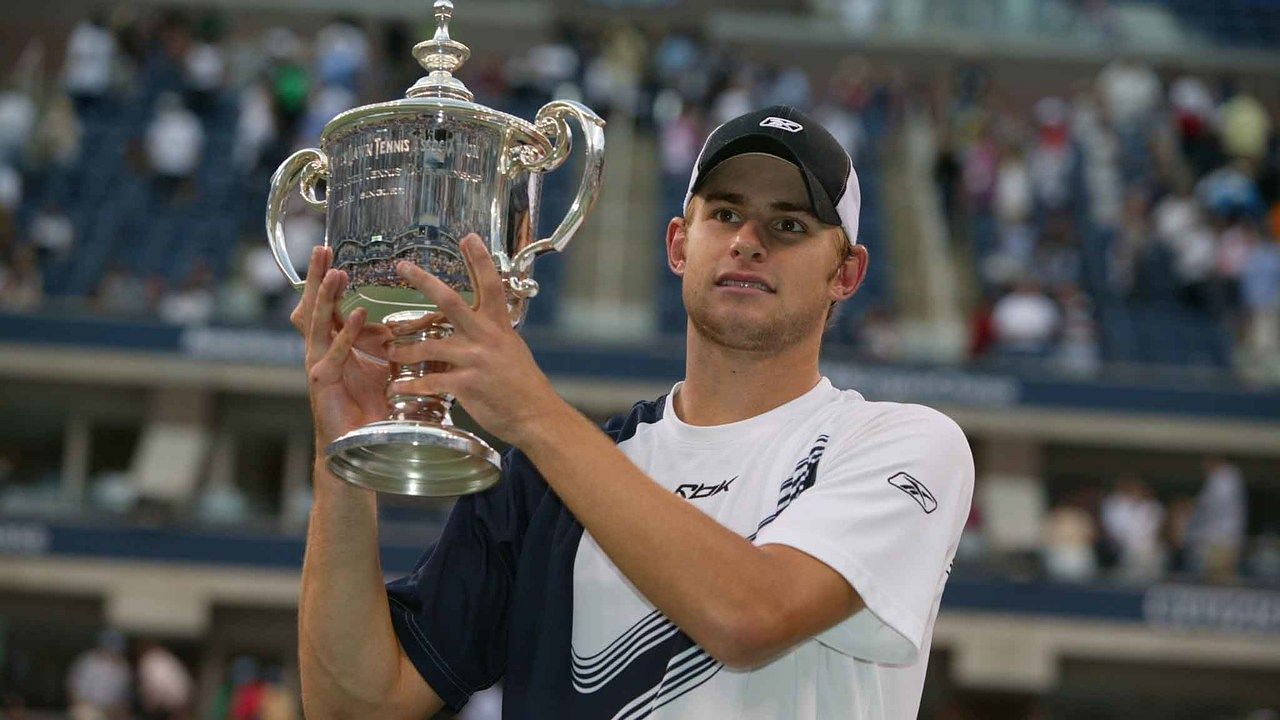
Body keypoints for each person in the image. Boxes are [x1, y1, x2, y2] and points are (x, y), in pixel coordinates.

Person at [292, 105, 974, 719]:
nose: (748, 241)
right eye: (726, 214)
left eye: (790, 224)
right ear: (680, 244)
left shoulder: (901, 444)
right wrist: (342, 454)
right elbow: (358, 705)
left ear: (846, 274)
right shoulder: (545, 479)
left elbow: (750, 616)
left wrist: (534, 412)